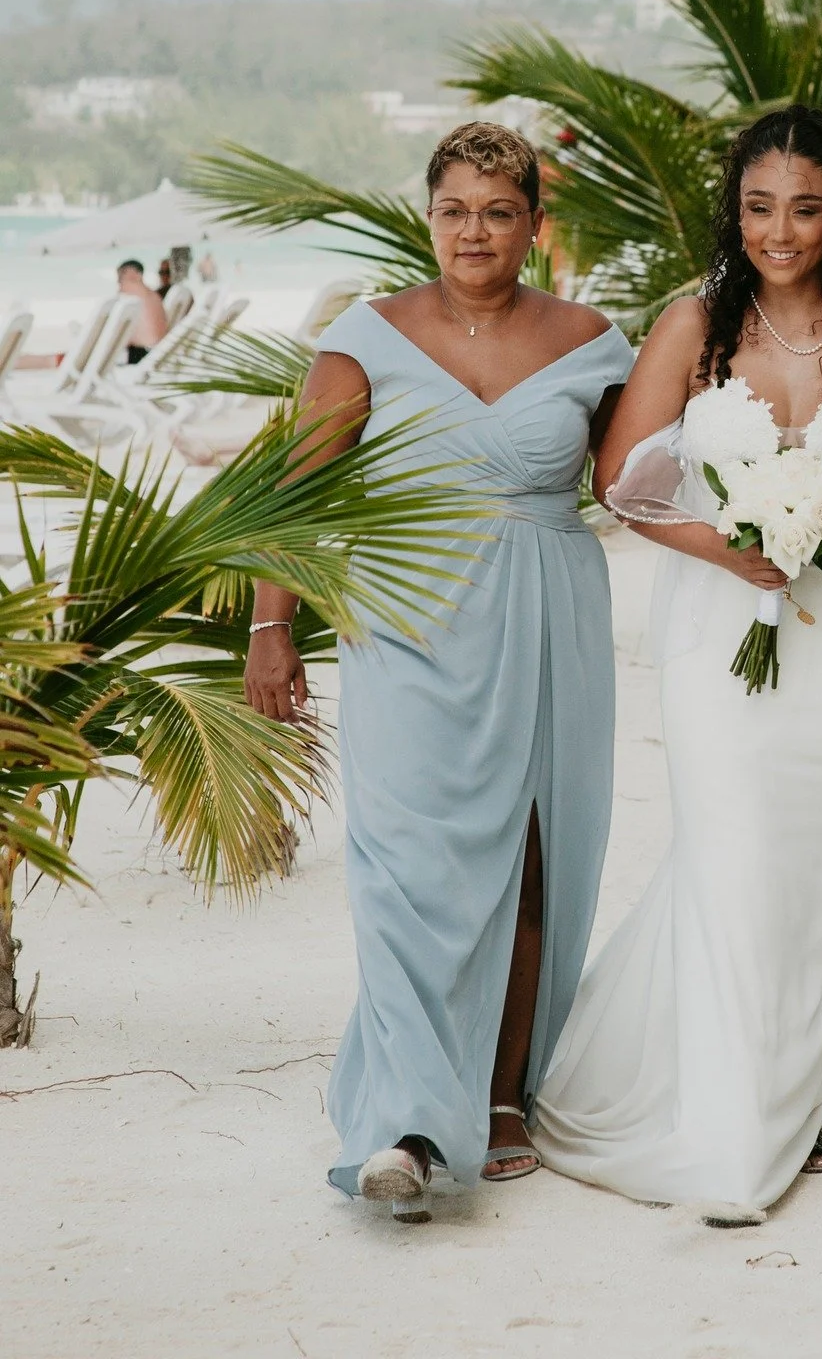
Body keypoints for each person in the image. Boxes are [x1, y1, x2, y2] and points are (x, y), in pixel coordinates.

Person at [531, 105, 822, 1220]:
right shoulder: (692, 324)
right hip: (717, 638)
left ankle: (793, 1091)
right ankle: (734, 1118)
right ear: (733, 211)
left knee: (820, 873)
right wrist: (724, 546)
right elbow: (620, 484)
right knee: (733, 856)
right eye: (758, 206)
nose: (778, 231)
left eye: (804, 208)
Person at [243, 121, 634, 1222]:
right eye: (455, 209)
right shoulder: (363, 341)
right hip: (406, 624)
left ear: (535, 225)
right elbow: (293, 500)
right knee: (406, 866)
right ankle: (409, 1121)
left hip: (549, 618)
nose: (475, 231)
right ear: (429, 218)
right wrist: (272, 628)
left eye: (499, 211)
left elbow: (638, 484)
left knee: (533, 854)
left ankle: (503, 1094)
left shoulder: (593, 342)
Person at [115, 258, 169, 363]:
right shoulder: (152, 294)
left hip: (139, 355)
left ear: (136, 274)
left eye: (122, 274)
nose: (119, 280)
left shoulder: (129, 294)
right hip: (157, 351)